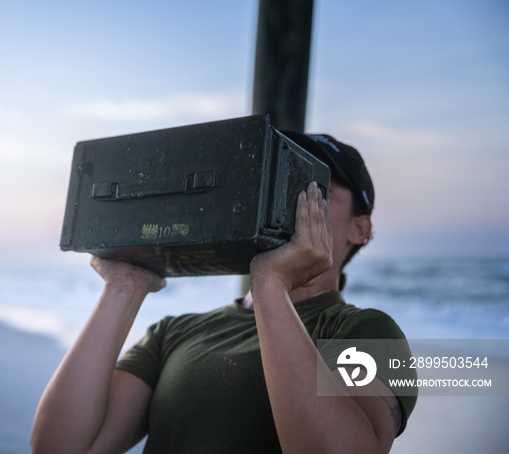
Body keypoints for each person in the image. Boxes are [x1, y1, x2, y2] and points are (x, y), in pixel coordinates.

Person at [31, 132, 416, 454]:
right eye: (281, 176)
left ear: (359, 229)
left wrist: (271, 284)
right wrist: (124, 286)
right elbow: (62, 448)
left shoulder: (367, 330)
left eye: (315, 185)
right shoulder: (173, 334)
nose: (292, 194)